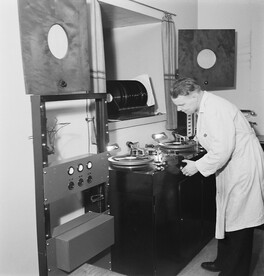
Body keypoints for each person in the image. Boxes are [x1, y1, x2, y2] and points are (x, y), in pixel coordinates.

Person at [170, 77, 264, 276]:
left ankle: (235, 271)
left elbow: (222, 150)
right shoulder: (205, 106)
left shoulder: (214, 109)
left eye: (181, 104)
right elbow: (210, 136)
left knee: (240, 220)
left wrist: (197, 166)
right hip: (233, 164)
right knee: (228, 215)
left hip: (242, 166)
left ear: (194, 95)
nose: (179, 109)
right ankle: (223, 261)